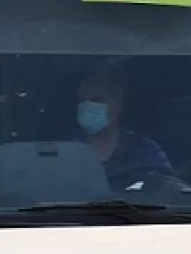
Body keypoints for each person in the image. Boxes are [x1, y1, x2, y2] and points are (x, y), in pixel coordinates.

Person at [74, 63, 182, 191]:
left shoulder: (145, 153)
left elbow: (167, 193)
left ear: (117, 103)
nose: (88, 107)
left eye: (96, 100)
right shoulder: (67, 154)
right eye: (82, 101)